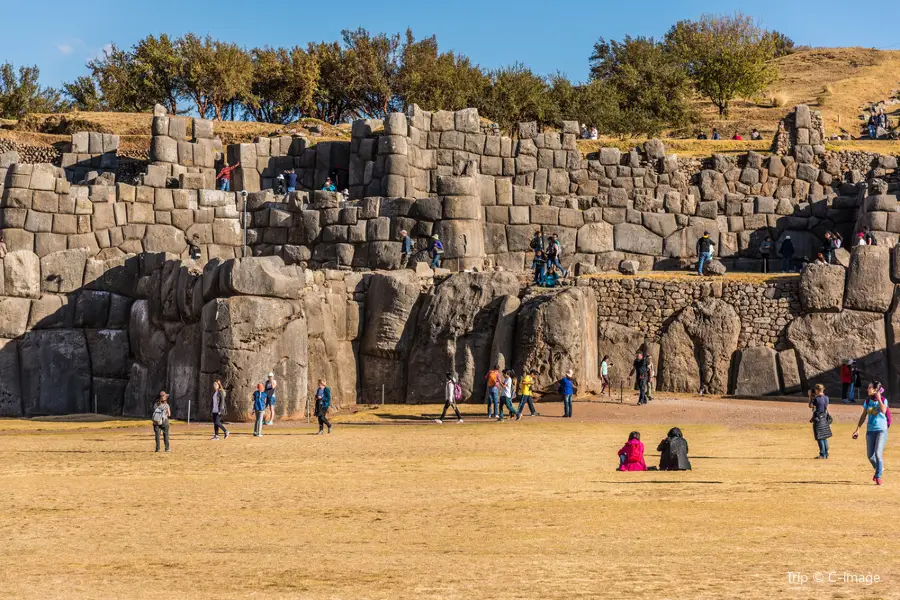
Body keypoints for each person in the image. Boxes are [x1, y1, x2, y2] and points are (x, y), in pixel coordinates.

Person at [852, 382, 889, 485]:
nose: (868, 389)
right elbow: (863, 415)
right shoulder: (867, 401)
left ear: (875, 390)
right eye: (868, 387)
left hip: (881, 430)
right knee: (870, 456)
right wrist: (857, 429)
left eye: (870, 388)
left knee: (878, 453)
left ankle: (878, 476)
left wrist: (879, 399)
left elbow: (884, 411)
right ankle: (879, 468)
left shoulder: (883, 400)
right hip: (870, 431)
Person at [809, 384, 832, 459]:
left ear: (816, 390)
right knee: (824, 436)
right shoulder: (826, 398)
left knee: (819, 436)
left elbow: (810, 406)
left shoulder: (816, 398)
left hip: (818, 418)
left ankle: (822, 454)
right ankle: (826, 453)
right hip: (824, 418)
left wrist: (810, 397)